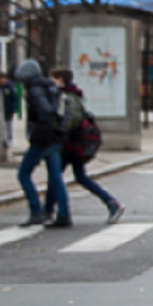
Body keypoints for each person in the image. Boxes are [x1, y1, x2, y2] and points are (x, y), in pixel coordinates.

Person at [42, 68, 124, 224]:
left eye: (53, 79)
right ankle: (111, 202)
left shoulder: (67, 97)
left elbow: (70, 121)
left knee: (55, 176)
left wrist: (59, 131)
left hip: (69, 144)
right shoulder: (75, 94)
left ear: (60, 80)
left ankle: (48, 211)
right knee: (78, 177)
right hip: (76, 143)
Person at [13, 59, 71, 227]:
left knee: (23, 173)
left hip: (43, 140)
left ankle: (36, 210)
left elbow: (45, 112)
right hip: (55, 137)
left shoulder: (34, 89)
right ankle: (63, 213)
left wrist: (38, 136)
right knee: (55, 177)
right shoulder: (49, 86)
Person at [0, 70, 18, 151]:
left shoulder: (9, 86)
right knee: (3, 125)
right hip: (2, 110)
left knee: (9, 126)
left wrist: (13, 110)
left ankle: (9, 140)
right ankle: (2, 139)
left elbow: (14, 98)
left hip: (9, 110)